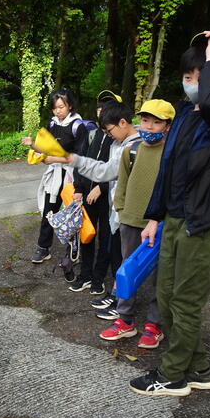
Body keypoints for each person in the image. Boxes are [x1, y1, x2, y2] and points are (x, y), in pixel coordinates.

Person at [129, 29, 210, 397]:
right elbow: (168, 169)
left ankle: (173, 374)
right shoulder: (181, 115)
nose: (191, 82)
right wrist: (154, 217)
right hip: (176, 218)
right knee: (165, 298)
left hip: (205, 220)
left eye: (200, 75)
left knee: (185, 302)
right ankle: (201, 369)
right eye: (187, 76)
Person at [45, 100, 141, 312]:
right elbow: (100, 168)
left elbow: (110, 175)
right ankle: (116, 298)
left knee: (122, 257)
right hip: (116, 211)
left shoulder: (136, 147)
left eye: (110, 130)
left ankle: (122, 306)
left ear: (122, 122)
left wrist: (102, 189)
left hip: (126, 214)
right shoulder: (113, 142)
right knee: (110, 251)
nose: (109, 134)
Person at [98, 99, 176, 350]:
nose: (149, 127)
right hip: (130, 220)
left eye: (156, 122)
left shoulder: (173, 153)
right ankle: (125, 320)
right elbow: (121, 184)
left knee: (160, 276)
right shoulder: (130, 151)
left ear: (167, 126)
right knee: (127, 270)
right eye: (145, 120)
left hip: (160, 224)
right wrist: (121, 211)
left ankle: (154, 325)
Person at [21, 88, 89, 264]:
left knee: (71, 214)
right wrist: (33, 145)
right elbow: (47, 150)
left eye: (61, 107)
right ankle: (43, 248)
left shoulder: (78, 126)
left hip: (73, 176)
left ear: (70, 106)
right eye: (54, 108)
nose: (57, 111)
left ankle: (72, 252)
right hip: (55, 176)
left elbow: (81, 157)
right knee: (48, 211)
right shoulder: (52, 124)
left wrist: (55, 159)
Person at [67, 91, 117, 296]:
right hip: (86, 195)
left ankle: (98, 278)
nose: (101, 110)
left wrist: (102, 187)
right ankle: (85, 275)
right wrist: (79, 188)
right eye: (99, 107)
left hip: (107, 199)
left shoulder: (118, 139)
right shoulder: (93, 134)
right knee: (86, 235)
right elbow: (81, 162)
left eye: (107, 106)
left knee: (106, 239)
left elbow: (118, 169)